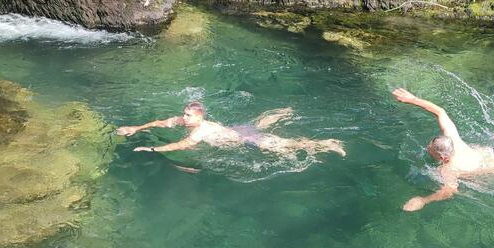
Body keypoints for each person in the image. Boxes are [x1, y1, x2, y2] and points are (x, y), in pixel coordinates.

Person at [116, 101, 346, 157]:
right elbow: (159, 122)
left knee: (283, 147)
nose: (183, 118)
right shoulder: (181, 121)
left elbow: (180, 145)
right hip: (235, 129)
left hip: (242, 139)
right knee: (256, 124)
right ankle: (283, 111)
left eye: (188, 115)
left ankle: (327, 144)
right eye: (184, 114)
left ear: (198, 117)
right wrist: (136, 128)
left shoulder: (199, 130)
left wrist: (152, 150)